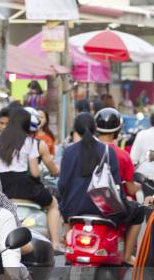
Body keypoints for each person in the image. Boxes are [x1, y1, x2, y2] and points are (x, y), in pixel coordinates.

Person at [58, 113, 144, 265]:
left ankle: (67, 242)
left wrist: (65, 211)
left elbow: (62, 185)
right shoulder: (107, 151)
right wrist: (122, 205)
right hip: (104, 210)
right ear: (94, 128)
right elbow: (116, 187)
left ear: (75, 130)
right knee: (138, 211)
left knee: (61, 209)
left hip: (74, 211)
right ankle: (127, 256)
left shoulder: (69, 152)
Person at [0, 107, 63, 253]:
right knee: (53, 205)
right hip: (25, 184)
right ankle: (55, 243)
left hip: (3, 185)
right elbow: (35, 172)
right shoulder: (30, 141)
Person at [95, 108, 140, 198]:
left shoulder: (86, 150)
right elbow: (131, 190)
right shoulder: (124, 156)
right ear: (118, 130)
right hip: (115, 205)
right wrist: (138, 187)